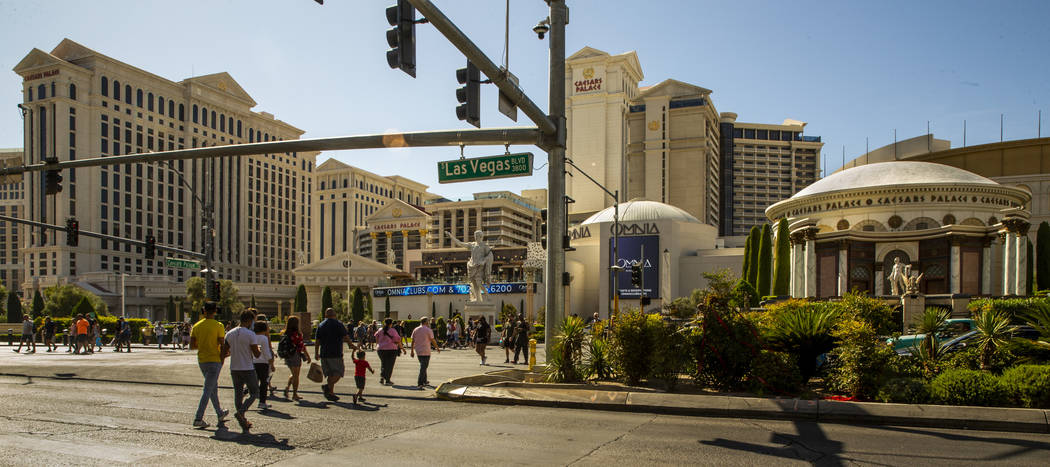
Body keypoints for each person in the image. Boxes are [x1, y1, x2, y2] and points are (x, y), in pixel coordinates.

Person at [190, 302, 228, 429]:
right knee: (207, 390)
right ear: (215, 311)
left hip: (202, 360)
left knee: (212, 388)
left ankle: (220, 413)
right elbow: (223, 345)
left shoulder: (196, 326)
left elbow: (192, 345)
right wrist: (222, 360)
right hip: (214, 359)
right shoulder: (219, 325)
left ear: (203, 311)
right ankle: (198, 418)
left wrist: (203, 344)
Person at [223, 310, 262, 432]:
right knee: (255, 392)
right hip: (247, 367)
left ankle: (243, 421)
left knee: (238, 394)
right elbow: (256, 354)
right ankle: (241, 412)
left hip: (234, 367)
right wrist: (259, 349)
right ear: (250, 321)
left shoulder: (229, 333)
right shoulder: (250, 334)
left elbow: (224, 352)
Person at [314, 307, 358, 401]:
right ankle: (327, 387)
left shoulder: (321, 325)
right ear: (335, 315)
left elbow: (317, 341)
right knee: (338, 372)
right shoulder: (338, 324)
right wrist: (351, 345)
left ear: (325, 315)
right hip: (335, 353)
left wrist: (316, 353)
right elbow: (345, 336)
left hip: (324, 353)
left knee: (330, 374)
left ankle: (331, 393)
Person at [281, 315, 311, 401]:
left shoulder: (285, 333)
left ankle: (287, 388)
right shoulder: (297, 334)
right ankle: (294, 394)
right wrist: (308, 356)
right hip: (295, 355)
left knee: (293, 374)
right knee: (296, 375)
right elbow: (302, 346)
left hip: (287, 355)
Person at [410, 317, 440, 389]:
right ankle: (420, 383)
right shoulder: (428, 330)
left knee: (423, 365)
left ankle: (425, 381)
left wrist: (412, 351)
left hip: (418, 350)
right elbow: (432, 340)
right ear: (426, 322)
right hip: (426, 350)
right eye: (428, 322)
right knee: (423, 367)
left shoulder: (416, 329)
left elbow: (413, 340)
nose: (429, 323)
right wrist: (437, 348)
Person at [252, 319, 275, 410]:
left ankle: (244, 393)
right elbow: (266, 352)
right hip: (263, 363)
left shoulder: (252, 336)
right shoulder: (264, 338)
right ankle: (262, 402)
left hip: (253, 362)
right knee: (264, 383)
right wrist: (271, 363)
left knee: (254, 381)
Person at [374, 318, 404, 385]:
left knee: (383, 364)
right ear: (391, 324)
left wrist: (378, 343)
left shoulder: (380, 330)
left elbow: (376, 336)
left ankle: (382, 377)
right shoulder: (393, 330)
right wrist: (402, 348)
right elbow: (398, 340)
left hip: (381, 349)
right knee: (390, 365)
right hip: (391, 349)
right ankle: (387, 380)